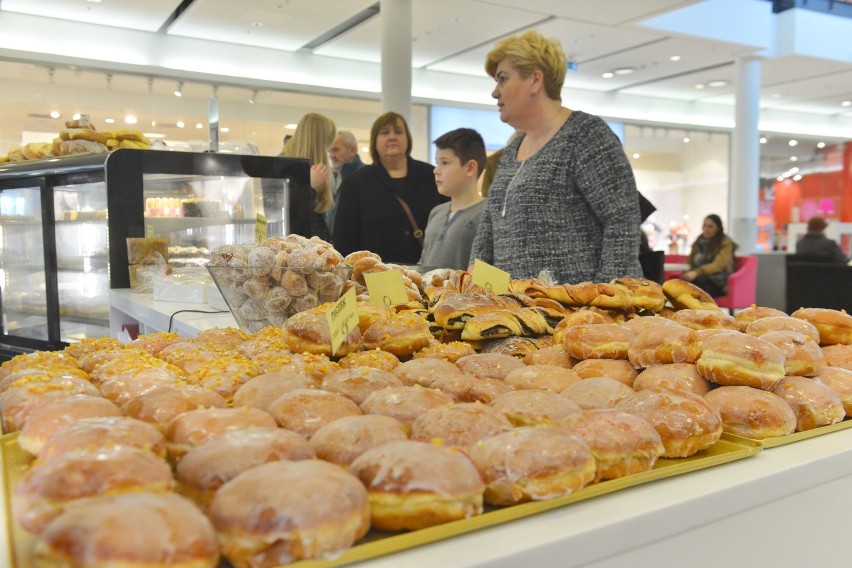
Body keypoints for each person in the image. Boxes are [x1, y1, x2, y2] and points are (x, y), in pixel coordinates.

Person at [469, 30, 643, 284]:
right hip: (520, 313)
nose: (495, 92)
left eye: (502, 79)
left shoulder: (585, 135)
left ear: (535, 80)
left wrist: (605, 303)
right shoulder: (513, 150)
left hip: (576, 316)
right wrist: (475, 273)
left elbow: (622, 223)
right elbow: (490, 224)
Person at [333, 111, 446, 264]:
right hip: (374, 279)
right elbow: (344, 240)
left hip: (427, 277)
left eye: (398, 132)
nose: (392, 137)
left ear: (407, 138)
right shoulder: (355, 183)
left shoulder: (432, 176)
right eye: (385, 133)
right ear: (375, 141)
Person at [419, 128, 487, 270]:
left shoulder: (488, 214)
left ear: (470, 168)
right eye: (437, 162)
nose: (436, 170)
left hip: (463, 292)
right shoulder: (436, 212)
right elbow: (423, 262)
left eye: (444, 162)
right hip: (428, 291)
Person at [278, 112, 336, 240]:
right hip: (295, 251)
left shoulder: (288, 166)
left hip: (309, 250)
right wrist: (310, 188)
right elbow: (287, 219)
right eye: (327, 144)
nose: (329, 152)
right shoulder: (283, 169)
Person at [681, 214, 737, 297]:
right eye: (704, 226)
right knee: (678, 282)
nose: (706, 229)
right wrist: (687, 273)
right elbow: (690, 261)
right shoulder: (698, 242)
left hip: (717, 282)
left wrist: (697, 272)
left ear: (718, 228)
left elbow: (719, 265)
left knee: (695, 283)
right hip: (699, 278)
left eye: (710, 227)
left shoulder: (725, 242)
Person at [325, 130, 365, 232]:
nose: (331, 156)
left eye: (335, 150)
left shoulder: (363, 177)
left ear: (352, 150)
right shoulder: (336, 177)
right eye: (329, 151)